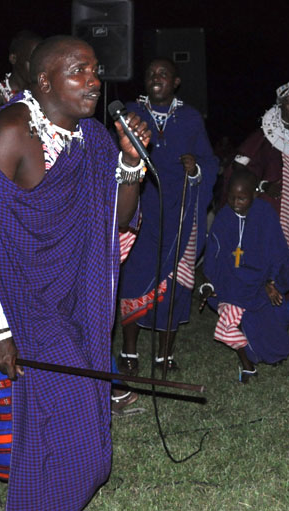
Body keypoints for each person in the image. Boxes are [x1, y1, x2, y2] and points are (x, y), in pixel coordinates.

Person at [0, 35, 149, 511]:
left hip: (53, 288)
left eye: (96, 70)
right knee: (7, 420)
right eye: (79, 71)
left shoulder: (93, 137)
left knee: (74, 397)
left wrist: (129, 161)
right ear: (44, 80)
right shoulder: (9, 131)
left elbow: (116, 220)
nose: (95, 81)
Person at [118, 57, 218, 376]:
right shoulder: (131, 112)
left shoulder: (189, 118)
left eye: (162, 73)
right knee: (134, 281)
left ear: (175, 82)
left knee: (174, 285)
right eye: (150, 73)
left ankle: (164, 356)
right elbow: (115, 156)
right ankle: (129, 351)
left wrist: (196, 168)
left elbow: (209, 161)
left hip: (180, 215)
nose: (155, 76)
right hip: (140, 213)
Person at [231, 82, 289, 326]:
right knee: (278, 257)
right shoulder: (264, 135)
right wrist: (261, 186)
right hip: (275, 208)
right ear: (279, 103)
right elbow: (238, 166)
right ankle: (273, 311)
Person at [200, 170, 289, 382]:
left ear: (253, 195)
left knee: (271, 323)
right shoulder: (224, 217)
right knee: (232, 322)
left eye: (242, 198)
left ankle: (271, 353)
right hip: (232, 283)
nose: (236, 202)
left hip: (261, 280)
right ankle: (247, 365)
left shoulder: (265, 213)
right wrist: (209, 283)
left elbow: (277, 251)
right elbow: (213, 254)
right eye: (231, 197)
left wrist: (271, 280)